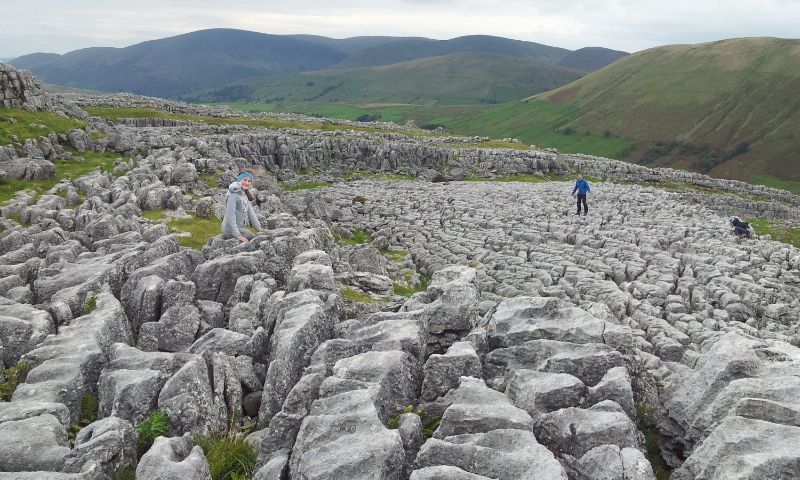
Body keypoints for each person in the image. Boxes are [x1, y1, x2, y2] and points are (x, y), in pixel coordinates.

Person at [222, 171, 263, 242]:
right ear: (239, 180)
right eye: (244, 180)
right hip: (231, 231)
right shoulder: (233, 194)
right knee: (254, 242)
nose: (247, 183)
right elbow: (230, 217)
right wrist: (238, 236)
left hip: (241, 229)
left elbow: (251, 213)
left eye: (249, 181)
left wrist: (259, 229)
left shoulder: (243, 193)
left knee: (256, 239)